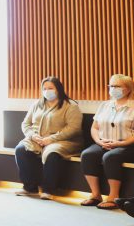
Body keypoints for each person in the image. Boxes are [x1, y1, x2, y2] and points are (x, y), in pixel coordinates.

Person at [14, 76, 82, 199]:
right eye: (44, 88)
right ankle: (29, 188)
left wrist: (51, 139)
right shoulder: (37, 104)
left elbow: (73, 128)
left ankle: (48, 190)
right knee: (21, 149)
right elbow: (26, 123)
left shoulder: (70, 106)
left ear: (58, 89)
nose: (47, 91)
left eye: (50, 88)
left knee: (52, 153)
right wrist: (32, 136)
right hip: (36, 139)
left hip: (62, 140)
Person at [80, 74, 134, 210]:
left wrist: (119, 144)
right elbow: (95, 127)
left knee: (110, 157)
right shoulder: (104, 105)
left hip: (127, 145)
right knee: (87, 154)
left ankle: (113, 197)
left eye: (117, 86)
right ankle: (95, 195)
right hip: (103, 142)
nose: (113, 89)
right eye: (111, 86)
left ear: (128, 89)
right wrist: (99, 141)